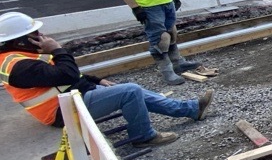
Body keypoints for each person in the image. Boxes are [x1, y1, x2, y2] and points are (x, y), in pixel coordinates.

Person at [0, 12, 213, 147]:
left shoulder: (20, 57)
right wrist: (57, 50)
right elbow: (67, 74)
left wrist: (96, 80)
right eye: (35, 33)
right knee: (129, 91)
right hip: (61, 111)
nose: (41, 36)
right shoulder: (19, 67)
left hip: (68, 99)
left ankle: (190, 109)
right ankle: (143, 136)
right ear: (21, 40)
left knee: (131, 89)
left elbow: (61, 77)